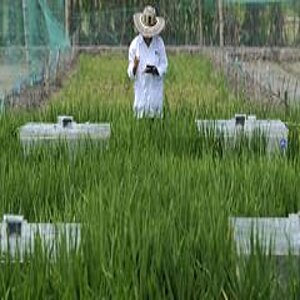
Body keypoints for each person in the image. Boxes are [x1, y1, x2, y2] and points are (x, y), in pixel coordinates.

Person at [127, 5, 168, 119]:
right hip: (141, 97)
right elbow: (130, 73)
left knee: (156, 127)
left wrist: (156, 70)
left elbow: (165, 65)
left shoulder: (159, 43)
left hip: (155, 96)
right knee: (141, 128)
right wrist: (135, 66)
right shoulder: (135, 45)